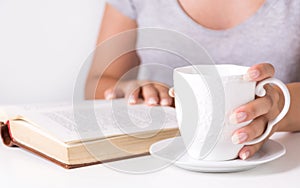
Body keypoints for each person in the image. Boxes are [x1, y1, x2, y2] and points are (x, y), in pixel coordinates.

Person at [85, 0, 300, 160]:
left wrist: (280, 107)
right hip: (159, 164)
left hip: (278, 165)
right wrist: (129, 90)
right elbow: (97, 82)